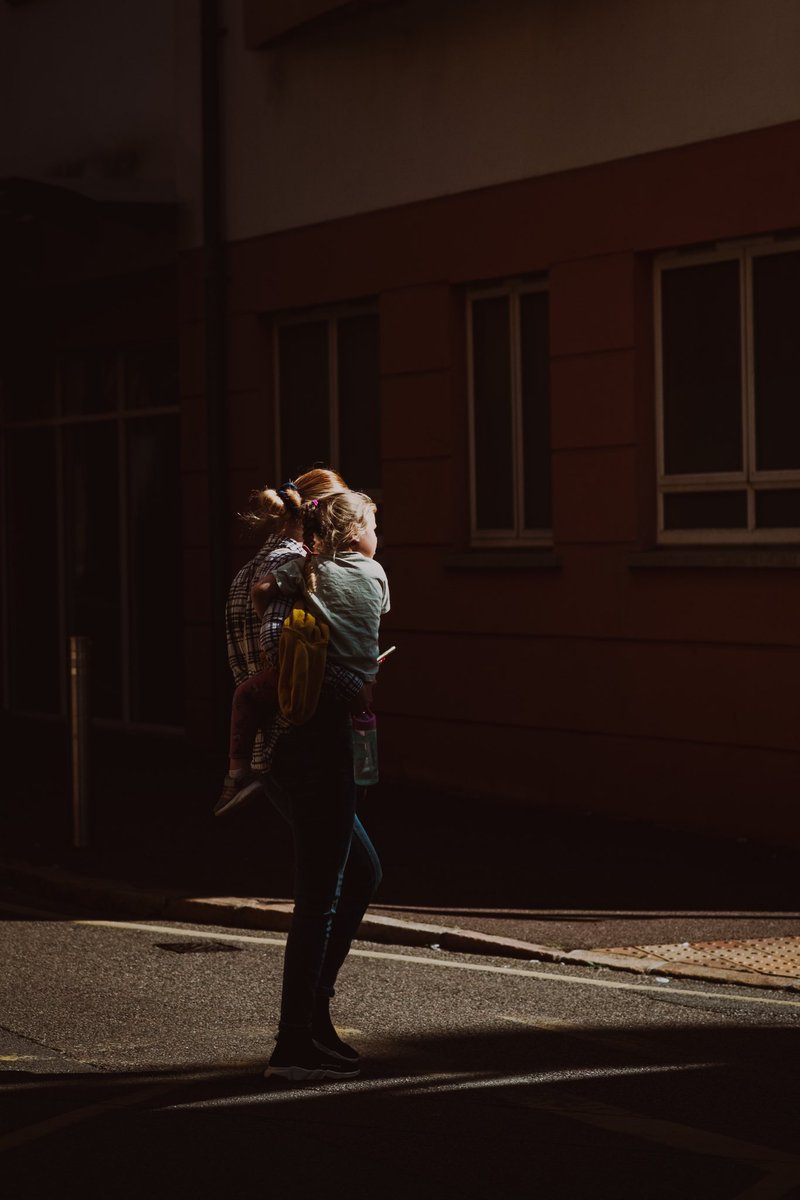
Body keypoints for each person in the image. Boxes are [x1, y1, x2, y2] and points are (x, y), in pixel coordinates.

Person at [222, 472, 385, 1081]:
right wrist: (338, 684)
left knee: (361, 871)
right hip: (306, 744)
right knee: (320, 894)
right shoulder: (302, 566)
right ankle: (295, 1040)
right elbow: (280, 656)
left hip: (283, 748)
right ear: (326, 522)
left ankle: (313, 1018)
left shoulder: (272, 566)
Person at [218, 468, 358, 817]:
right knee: (329, 867)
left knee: (351, 867)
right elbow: (287, 654)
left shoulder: (245, 571)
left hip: (269, 751)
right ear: (323, 513)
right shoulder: (299, 565)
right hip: (305, 741)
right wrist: (347, 672)